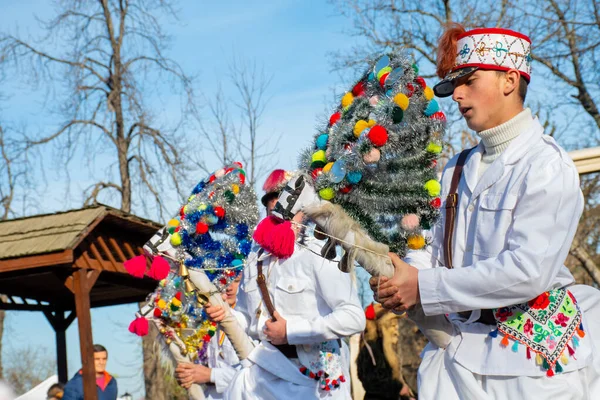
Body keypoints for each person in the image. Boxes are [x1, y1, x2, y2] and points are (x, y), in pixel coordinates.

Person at [370, 24, 600, 399]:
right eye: (454, 85)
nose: (457, 94)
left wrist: (424, 287)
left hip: (533, 368)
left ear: (509, 80)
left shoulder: (546, 165)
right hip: (458, 357)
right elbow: (430, 247)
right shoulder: (454, 169)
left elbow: (528, 271)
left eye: (469, 81)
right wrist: (404, 279)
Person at [207, 174, 366, 399]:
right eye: (274, 214)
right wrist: (225, 315)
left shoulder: (319, 253)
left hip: (317, 381)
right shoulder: (255, 259)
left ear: (303, 213)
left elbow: (354, 318)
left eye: (287, 214)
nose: (281, 221)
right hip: (265, 376)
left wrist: (290, 331)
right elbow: (246, 318)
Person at [175, 274, 247, 399]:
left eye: (236, 281)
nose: (229, 287)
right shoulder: (206, 323)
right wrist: (188, 375)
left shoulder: (248, 322)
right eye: (223, 280)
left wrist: (211, 375)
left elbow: (257, 374)